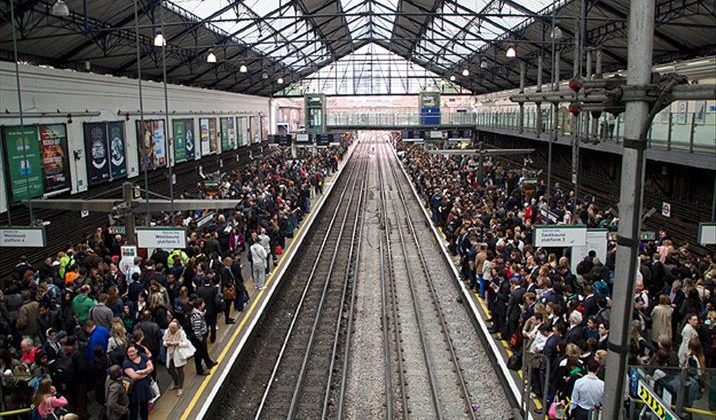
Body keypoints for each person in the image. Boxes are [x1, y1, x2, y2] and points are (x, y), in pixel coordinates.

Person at [163, 320, 195, 396]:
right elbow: (164, 340)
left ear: (178, 327)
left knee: (180, 370)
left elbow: (186, 343)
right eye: (170, 328)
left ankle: (180, 387)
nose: (171, 330)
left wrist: (177, 343)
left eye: (173, 328)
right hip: (170, 353)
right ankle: (176, 382)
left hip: (178, 354)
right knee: (169, 369)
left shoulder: (182, 333)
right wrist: (167, 343)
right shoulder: (167, 332)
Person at [123, 345, 154, 420]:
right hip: (134, 390)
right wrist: (147, 373)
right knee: (134, 411)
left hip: (144, 387)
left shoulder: (143, 356)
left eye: (132, 351)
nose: (131, 354)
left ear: (137, 351)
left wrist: (142, 371)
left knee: (144, 409)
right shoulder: (126, 363)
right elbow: (134, 377)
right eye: (129, 352)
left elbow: (151, 367)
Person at [189, 298, 216, 375]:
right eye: (203, 303)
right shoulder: (196, 317)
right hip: (199, 337)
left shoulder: (198, 313)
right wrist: (200, 339)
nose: (204, 304)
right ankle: (200, 370)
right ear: (199, 306)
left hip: (202, 335)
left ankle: (209, 363)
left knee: (204, 351)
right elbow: (197, 330)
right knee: (199, 354)